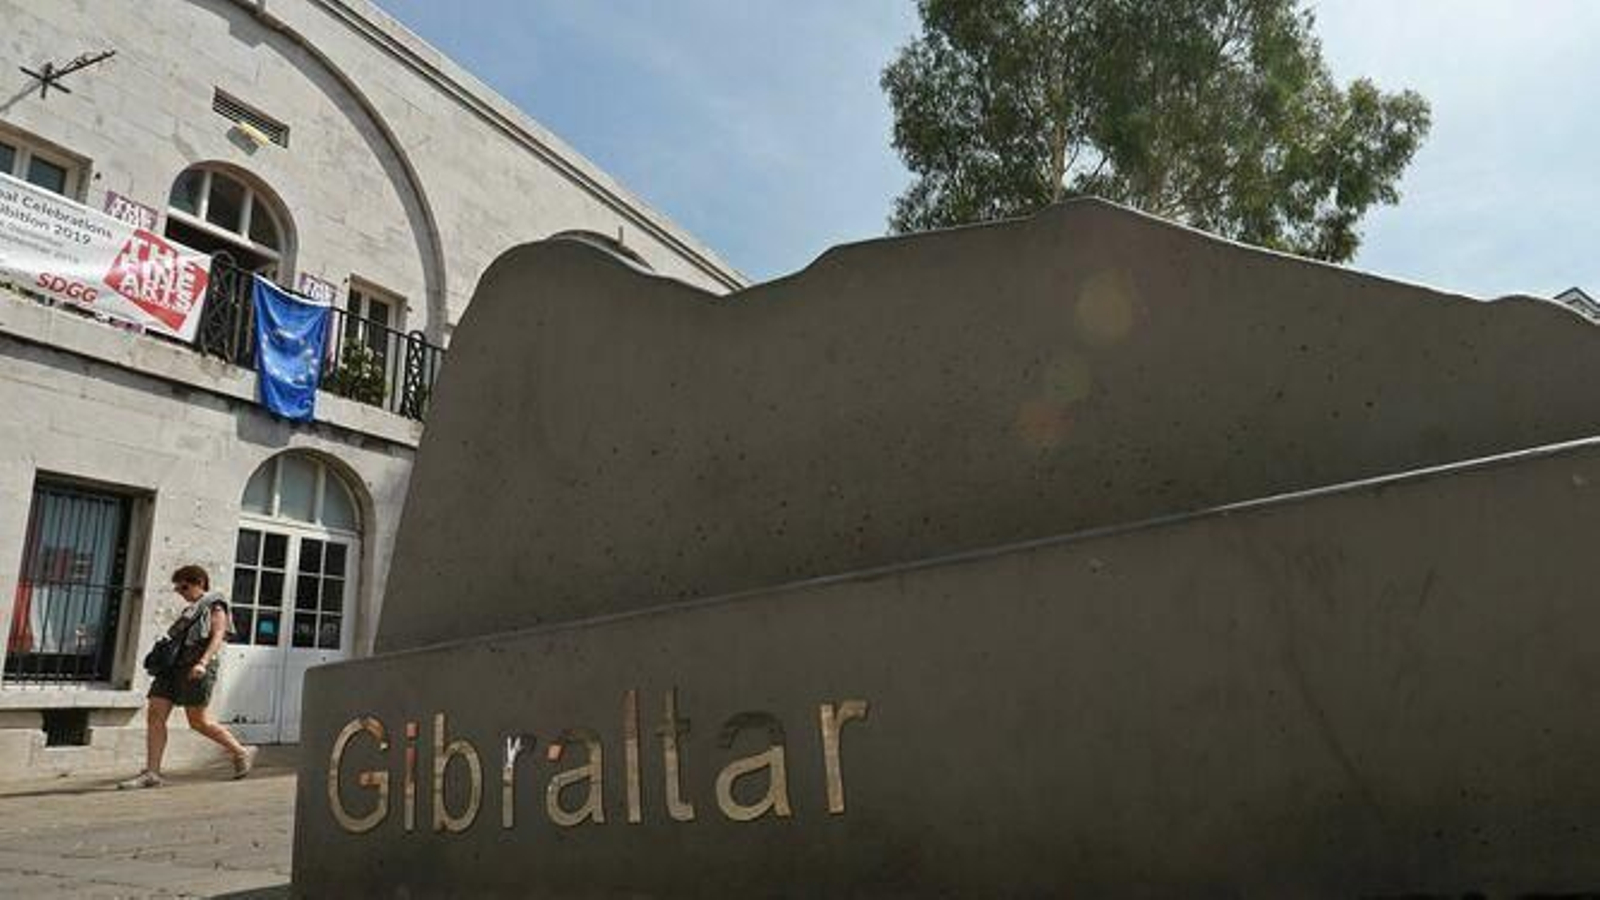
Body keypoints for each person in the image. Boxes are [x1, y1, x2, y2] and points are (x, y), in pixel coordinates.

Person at [118, 564, 256, 788]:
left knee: (199, 722)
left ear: (199, 583)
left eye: (184, 587)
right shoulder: (190, 611)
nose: (181, 593)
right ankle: (152, 773)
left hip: (196, 667)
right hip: (172, 669)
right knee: (155, 715)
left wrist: (202, 662)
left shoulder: (215, 605)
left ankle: (240, 751)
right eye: (177, 589)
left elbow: (218, 636)